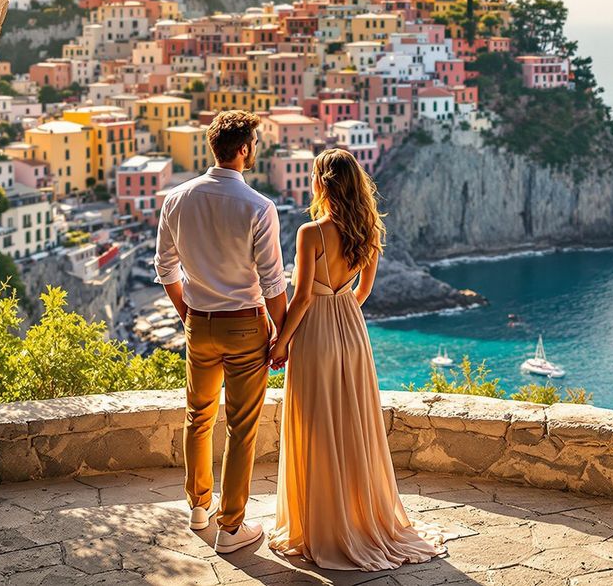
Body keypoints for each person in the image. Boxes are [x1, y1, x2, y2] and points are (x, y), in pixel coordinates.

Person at [267, 149, 447, 570]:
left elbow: (303, 296)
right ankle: (359, 517)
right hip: (352, 330)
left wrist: (281, 342)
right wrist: (342, 309)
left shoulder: (310, 232)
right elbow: (363, 292)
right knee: (353, 424)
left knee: (316, 426)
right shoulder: (369, 229)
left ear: (321, 184)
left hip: (315, 334)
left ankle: (320, 525)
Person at [154, 110, 287, 554]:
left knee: (199, 416)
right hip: (246, 326)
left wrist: (185, 312)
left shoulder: (176, 198)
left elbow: (165, 267)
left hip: (199, 323)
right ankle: (231, 529)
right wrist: (282, 334)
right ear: (245, 149)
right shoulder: (259, 207)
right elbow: (272, 282)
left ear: (214, 147)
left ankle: (198, 506)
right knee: (242, 427)